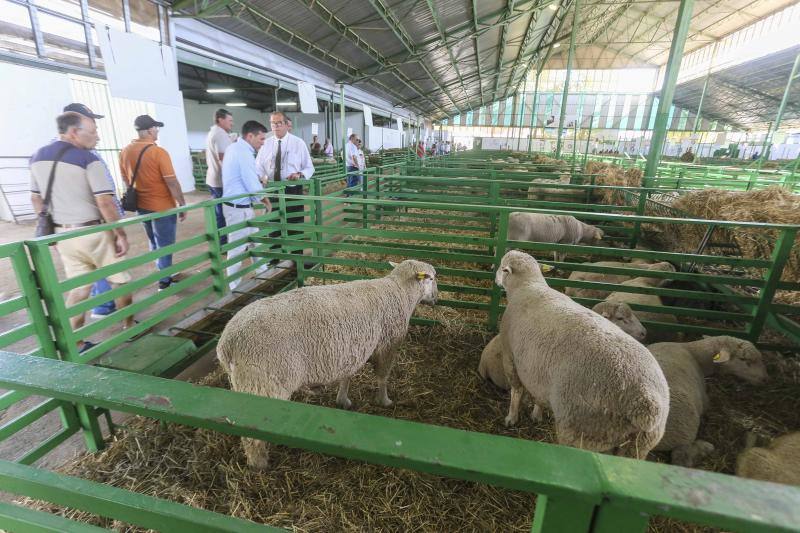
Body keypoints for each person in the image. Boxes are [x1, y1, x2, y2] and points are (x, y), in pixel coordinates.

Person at [30, 112, 133, 353]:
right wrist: (120, 233)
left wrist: (50, 232)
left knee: (79, 288)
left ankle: (74, 340)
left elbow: (36, 199)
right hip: (94, 231)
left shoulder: (38, 157)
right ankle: (129, 326)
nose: (97, 136)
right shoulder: (87, 158)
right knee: (120, 280)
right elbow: (105, 202)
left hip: (64, 235)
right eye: (93, 131)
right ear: (74, 132)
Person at [57, 103, 121, 319]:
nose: (96, 132)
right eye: (91, 126)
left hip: (70, 227)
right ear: (76, 127)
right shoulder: (83, 156)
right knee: (107, 272)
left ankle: (101, 310)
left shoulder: (53, 154)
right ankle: (118, 318)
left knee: (86, 278)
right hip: (91, 224)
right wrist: (117, 229)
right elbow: (103, 200)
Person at [120, 115, 186, 291]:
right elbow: (171, 181)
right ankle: (164, 282)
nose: (157, 131)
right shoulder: (158, 152)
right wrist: (182, 202)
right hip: (163, 207)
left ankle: (164, 271)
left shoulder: (125, 152)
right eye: (156, 128)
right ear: (149, 130)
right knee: (165, 243)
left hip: (142, 206)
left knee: (154, 241)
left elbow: (126, 180)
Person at [222, 120, 272, 290]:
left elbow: (246, 177)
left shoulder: (234, 148)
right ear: (250, 136)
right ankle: (233, 288)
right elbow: (250, 181)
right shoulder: (243, 152)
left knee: (255, 242)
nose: (263, 143)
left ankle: (264, 274)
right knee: (237, 249)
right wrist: (264, 198)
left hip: (240, 206)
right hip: (238, 208)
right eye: (261, 139)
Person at [256, 111, 315, 254]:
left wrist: (299, 174)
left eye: (278, 123)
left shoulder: (298, 143)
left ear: (286, 124)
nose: (275, 126)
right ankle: (275, 258)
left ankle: (297, 259)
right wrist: (261, 177)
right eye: (272, 123)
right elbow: (257, 167)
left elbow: (309, 167)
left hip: (292, 191)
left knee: (294, 223)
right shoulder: (266, 144)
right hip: (272, 190)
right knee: (273, 224)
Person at [205, 109, 234, 246]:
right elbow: (223, 160)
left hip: (213, 179)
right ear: (220, 119)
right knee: (224, 212)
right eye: (230, 120)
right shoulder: (220, 134)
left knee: (219, 211)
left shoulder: (214, 132)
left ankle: (222, 242)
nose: (231, 124)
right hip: (221, 181)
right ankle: (224, 243)